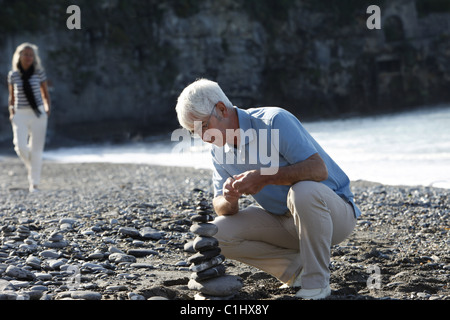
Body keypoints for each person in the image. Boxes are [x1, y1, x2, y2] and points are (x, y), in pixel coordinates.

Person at [176, 79, 362, 300]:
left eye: (203, 126)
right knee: (216, 234)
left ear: (221, 109)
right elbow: (220, 206)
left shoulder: (274, 120)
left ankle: (317, 282)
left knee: (303, 191)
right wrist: (229, 198)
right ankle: (296, 270)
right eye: (193, 132)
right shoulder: (219, 151)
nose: (202, 137)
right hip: (284, 222)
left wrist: (264, 177)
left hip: (333, 216)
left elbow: (318, 170)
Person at [8, 42, 51, 192]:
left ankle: (34, 183)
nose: (28, 57)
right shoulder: (13, 75)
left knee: (37, 150)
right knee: (19, 146)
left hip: (38, 114)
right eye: (25, 54)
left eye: (31, 55)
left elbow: (45, 94)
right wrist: (12, 113)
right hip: (20, 113)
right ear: (19, 56)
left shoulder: (39, 73)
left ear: (34, 58)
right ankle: (32, 166)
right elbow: (12, 97)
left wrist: (47, 109)